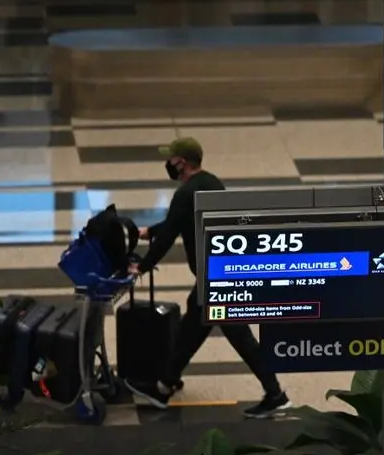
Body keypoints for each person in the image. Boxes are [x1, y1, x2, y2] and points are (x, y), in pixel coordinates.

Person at [123, 137, 291, 418]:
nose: (168, 164)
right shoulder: (212, 183)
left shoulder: (185, 193)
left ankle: (275, 393)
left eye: (172, 159)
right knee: (193, 326)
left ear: (183, 162)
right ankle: (164, 384)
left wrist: (141, 267)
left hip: (215, 277)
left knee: (237, 335)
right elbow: (180, 221)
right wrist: (150, 231)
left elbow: (169, 236)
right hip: (224, 269)